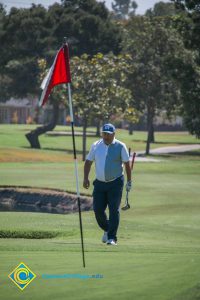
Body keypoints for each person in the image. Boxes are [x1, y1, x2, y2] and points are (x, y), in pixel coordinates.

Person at [83, 123, 132, 246]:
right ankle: (107, 228)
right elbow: (88, 162)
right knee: (98, 210)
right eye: (104, 133)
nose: (106, 136)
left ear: (113, 134)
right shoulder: (96, 145)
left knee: (113, 210)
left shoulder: (121, 146)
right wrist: (85, 178)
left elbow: (127, 165)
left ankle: (112, 238)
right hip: (99, 183)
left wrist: (129, 181)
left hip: (115, 183)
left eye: (108, 134)